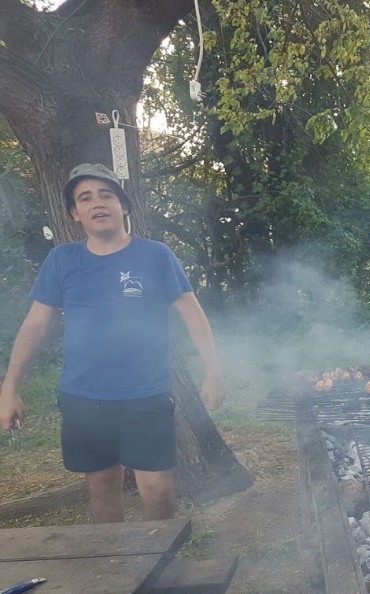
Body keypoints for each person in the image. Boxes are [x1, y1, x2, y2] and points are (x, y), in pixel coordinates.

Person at [0, 163, 225, 523]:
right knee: (102, 485)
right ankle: (116, 567)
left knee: (156, 490)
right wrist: (10, 386)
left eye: (106, 195)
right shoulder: (62, 260)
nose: (97, 203)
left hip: (146, 394)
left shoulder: (155, 255)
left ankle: (161, 566)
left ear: (124, 206)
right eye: (85, 198)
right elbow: (36, 325)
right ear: (75, 213)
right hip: (84, 397)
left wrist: (214, 371)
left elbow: (193, 314)